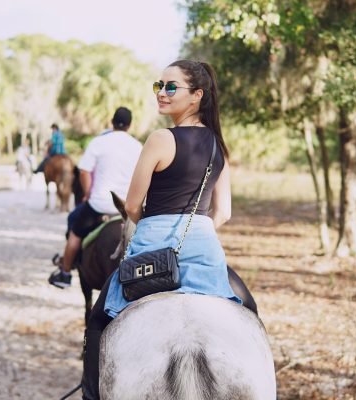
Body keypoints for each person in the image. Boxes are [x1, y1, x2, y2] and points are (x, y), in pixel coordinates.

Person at [79, 60, 257, 400]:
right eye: (158, 85)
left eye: (171, 87)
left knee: (99, 320)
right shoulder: (219, 145)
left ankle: (90, 394)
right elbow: (224, 212)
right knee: (249, 309)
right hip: (203, 248)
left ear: (196, 96)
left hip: (152, 245)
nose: (162, 92)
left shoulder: (161, 139)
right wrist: (197, 229)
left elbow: (132, 206)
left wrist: (156, 223)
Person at [48, 108, 142, 288]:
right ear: (130, 125)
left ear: (112, 122)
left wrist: (88, 193)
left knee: (74, 226)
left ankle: (65, 272)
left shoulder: (99, 143)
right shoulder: (138, 147)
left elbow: (84, 171)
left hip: (100, 205)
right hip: (128, 209)